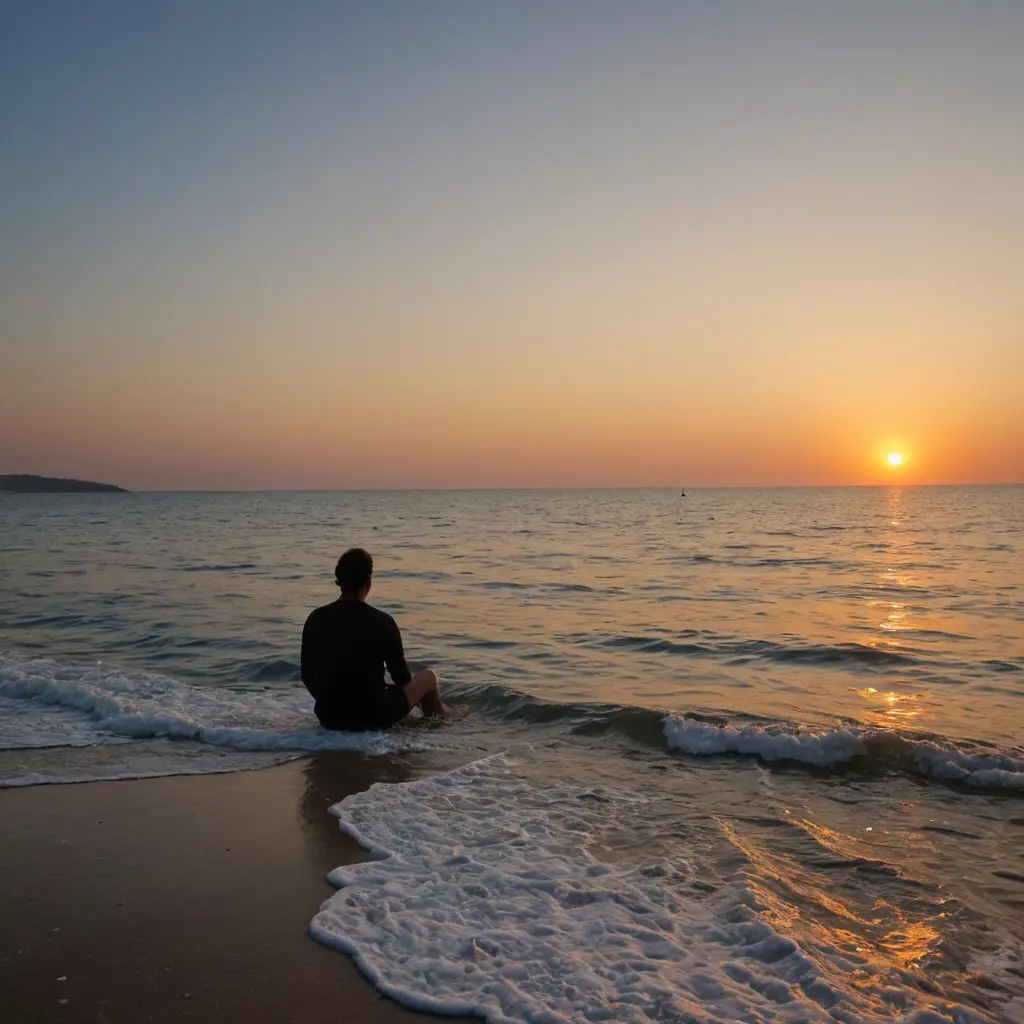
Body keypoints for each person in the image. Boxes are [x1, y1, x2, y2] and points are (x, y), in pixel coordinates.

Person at [300, 548, 444, 730]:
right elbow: (402, 678)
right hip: (374, 716)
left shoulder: (315, 618)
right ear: (368, 582)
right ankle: (438, 731)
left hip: (330, 717)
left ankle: (435, 716)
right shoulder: (381, 621)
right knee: (428, 678)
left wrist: (331, 703)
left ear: (340, 581)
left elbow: (307, 676)